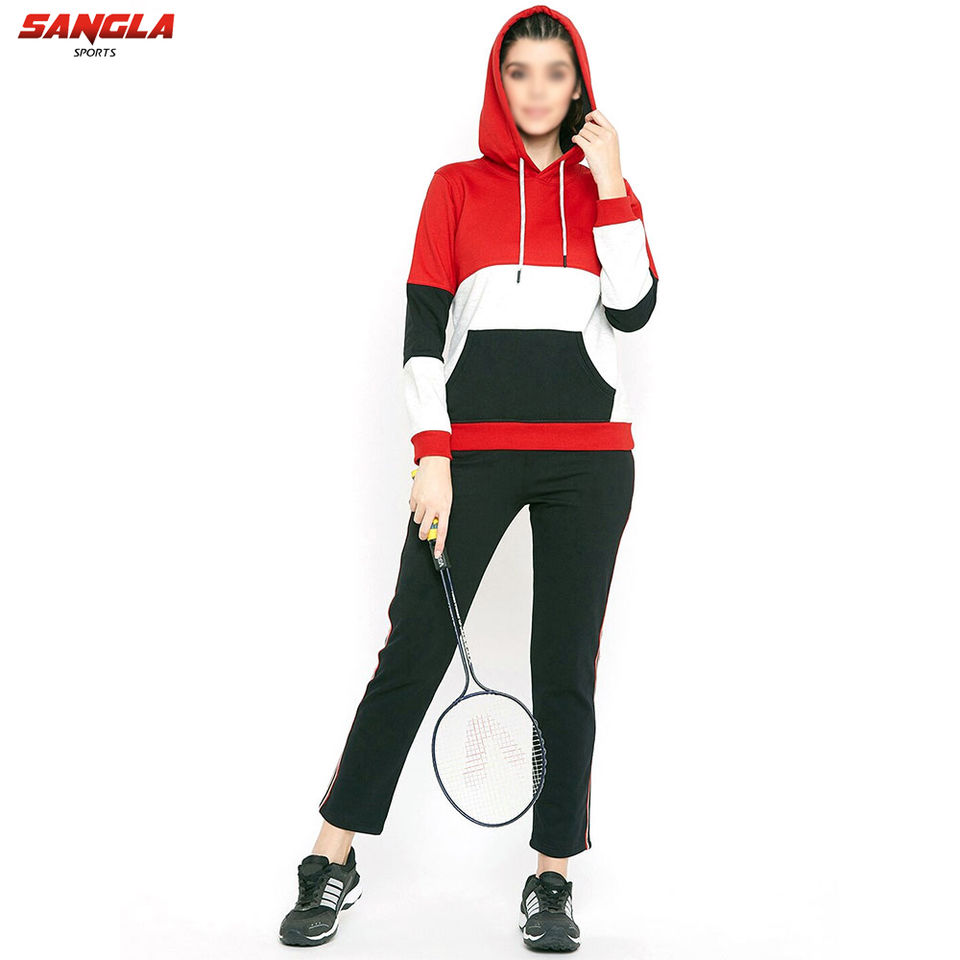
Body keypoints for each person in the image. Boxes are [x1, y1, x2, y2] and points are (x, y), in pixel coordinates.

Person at [278, 4, 659, 951]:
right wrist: (433, 453)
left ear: (579, 85)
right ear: (500, 82)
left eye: (556, 73)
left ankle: (551, 878)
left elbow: (635, 310)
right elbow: (423, 333)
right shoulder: (455, 187)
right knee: (414, 649)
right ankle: (332, 857)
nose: (538, 89)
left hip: (590, 463)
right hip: (472, 456)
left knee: (565, 668)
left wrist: (613, 185)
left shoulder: (606, 191)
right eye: (520, 72)